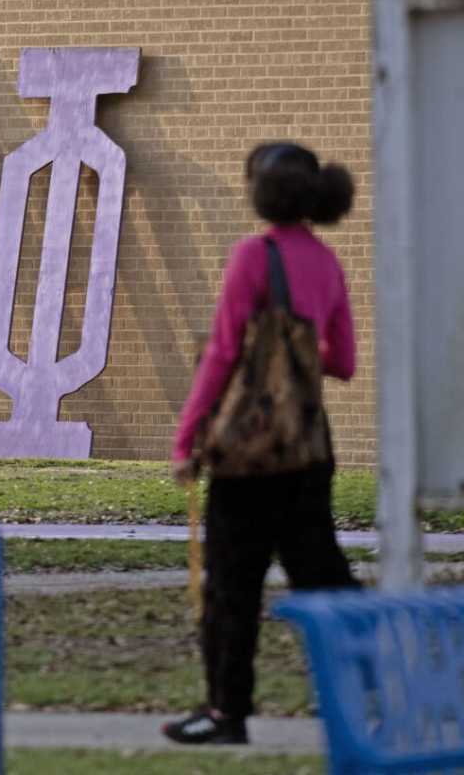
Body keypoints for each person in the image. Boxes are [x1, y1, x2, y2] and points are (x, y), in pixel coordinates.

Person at [162, 142, 361, 746]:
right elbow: (344, 362)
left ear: (259, 193)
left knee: (232, 586)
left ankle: (228, 713)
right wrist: (295, 360)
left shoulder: (254, 255)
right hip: (307, 451)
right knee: (320, 573)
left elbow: (224, 352)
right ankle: (367, 679)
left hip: (247, 456)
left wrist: (187, 435)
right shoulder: (327, 263)